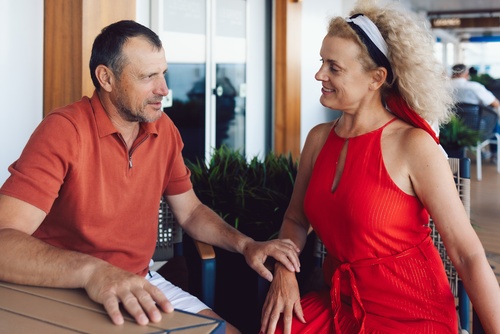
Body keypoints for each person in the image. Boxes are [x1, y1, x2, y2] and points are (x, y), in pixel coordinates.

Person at [0, 20, 301, 334]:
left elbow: (192, 212)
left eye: (164, 74)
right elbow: (3, 241)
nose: (164, 90)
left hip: (139, 282)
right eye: (147, 77)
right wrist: (93, 272)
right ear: (106, 78)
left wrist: (246, 244)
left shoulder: (164, 129)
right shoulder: (64, 130)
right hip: (63, 288)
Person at [260, 1, 500, 333]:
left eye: (334, 67)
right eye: (321, 62)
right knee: (275, 327)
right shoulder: (318, 139)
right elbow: (295, 218)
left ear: (376, 78)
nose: (319, 75)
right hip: (340, 303)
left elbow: (467, 254)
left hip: (410, 313)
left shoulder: (414, 145)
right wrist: (285, 272)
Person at [451, 63, 500, 162]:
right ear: (466, 73)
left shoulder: (442, 87)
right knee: (494, 122)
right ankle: (494, 154)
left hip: (450, 129)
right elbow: (495, 104)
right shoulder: (474, 87)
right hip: (476, 128)